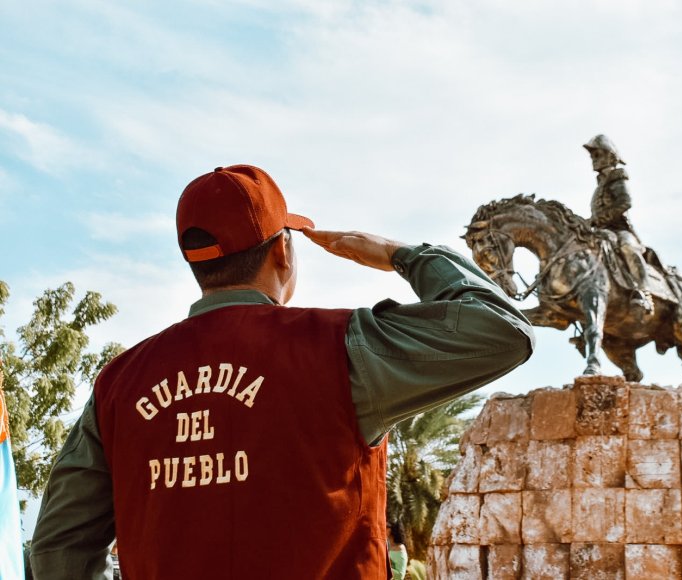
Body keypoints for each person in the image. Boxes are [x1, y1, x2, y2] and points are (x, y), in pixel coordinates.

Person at [30, 164, 534, 579]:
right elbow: (504, 330)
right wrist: (401, 255)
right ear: (282, 252)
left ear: (197, 263)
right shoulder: (339, 349)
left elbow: (59, 546)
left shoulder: (118, 384)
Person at [583, 134, 653, 314]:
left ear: (609, 156)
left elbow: (625, 202)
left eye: (597, 155)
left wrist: (601, 218)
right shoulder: (600, 183)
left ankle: (645, 293)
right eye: (592, 156)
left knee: (628, 248)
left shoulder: (617, 177)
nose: (593, 159)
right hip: (601, 232)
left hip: (619, 229)